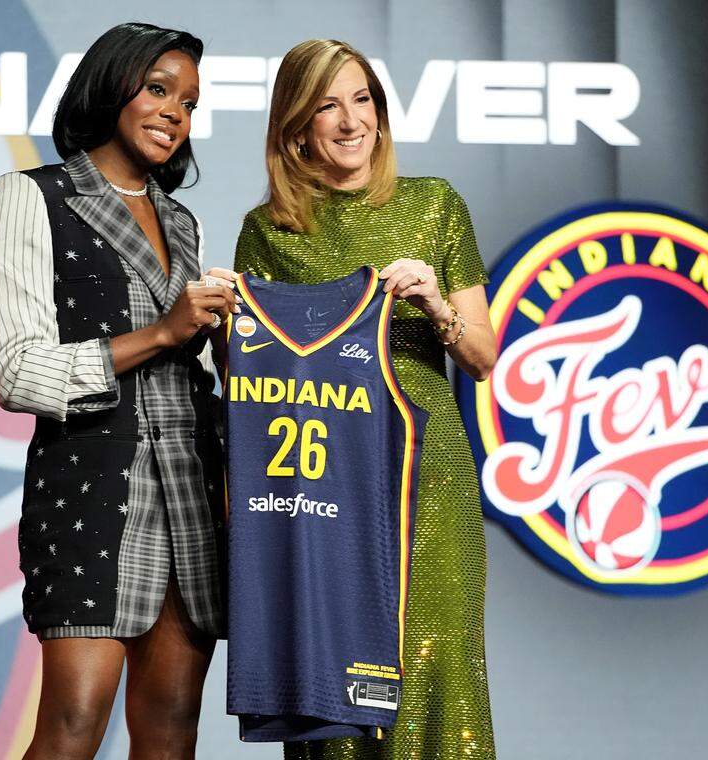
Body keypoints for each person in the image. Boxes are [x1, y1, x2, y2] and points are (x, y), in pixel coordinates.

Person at [0, 22, 236, 759]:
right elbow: (17, 370)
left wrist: (225, 341)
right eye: (158, 90)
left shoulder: (182, 222)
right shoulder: (30, 197)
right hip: (91, 485)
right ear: (111, 86)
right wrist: (160, 331)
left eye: (188, 101)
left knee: (171, 729)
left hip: (189, 490)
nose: (174, 112)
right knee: (72, 724)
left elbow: (190, 363)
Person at [232, 39, 499, 759]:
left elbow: (483, 357)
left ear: (380, 115)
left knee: (438, 659)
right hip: (329, 480)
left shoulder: (435, 204)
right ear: (296, 128)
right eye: (326, 105)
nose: (350, 121)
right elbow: (262, 378)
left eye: (362, 100)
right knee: (336, 663)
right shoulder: (269, 231)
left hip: (430, 474)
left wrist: (437, 303)